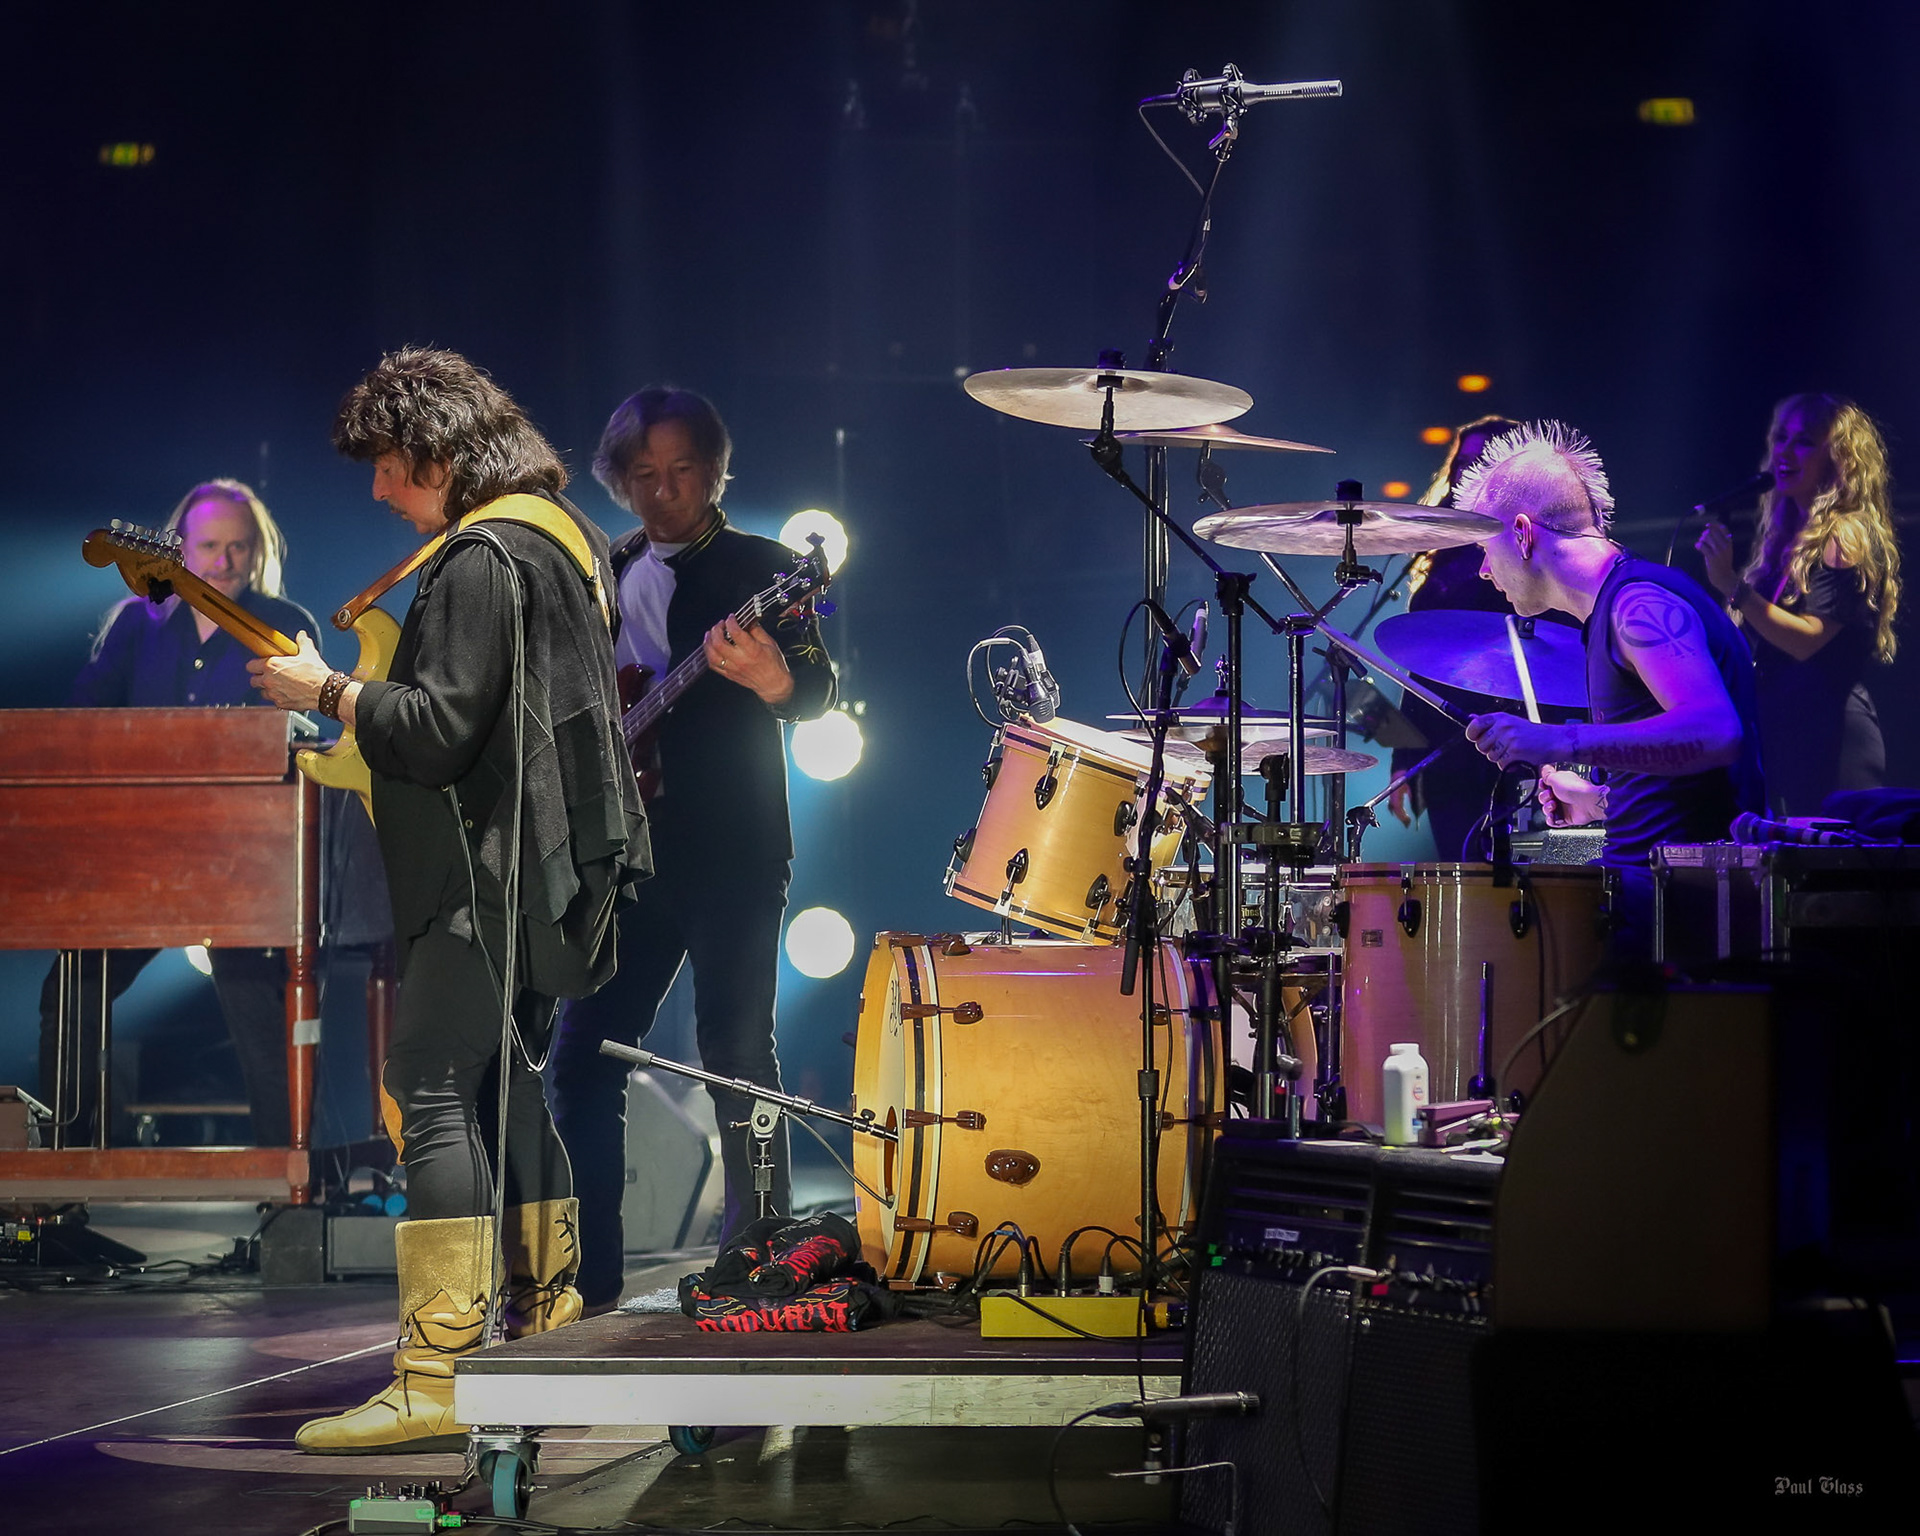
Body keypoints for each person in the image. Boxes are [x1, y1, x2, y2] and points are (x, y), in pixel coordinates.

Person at [250, 347, 649, 1453]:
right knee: (505, 1091)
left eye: (390, 464)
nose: (381, 489)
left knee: (429, 1087)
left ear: (440, 450)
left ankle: (440, 1372)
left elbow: (438, 731)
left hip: (482, 878)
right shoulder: (563, 538)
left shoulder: (482, 555)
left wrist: (330, 688)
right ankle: (544, 1331)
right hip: (537, 873)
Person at [545, 386, 835, 1314]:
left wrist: (777, 681)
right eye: (644, 474)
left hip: (730, 846)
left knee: (737, 1051)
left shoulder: (766, 570)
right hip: (627, 852)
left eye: (682, 470)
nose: (664, 490)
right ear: (618, 481)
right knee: (582, 1057)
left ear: (714, 471)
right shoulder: (601, 570)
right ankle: (588, 1281)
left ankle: (759, 1262)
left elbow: (820, 693)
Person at [40, 479, 315, 1148]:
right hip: (143, 858)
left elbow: (309, 736)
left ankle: (285, 1176)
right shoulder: (138, 624)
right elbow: (81, 724)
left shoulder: (282, 622)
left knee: (259, 1012)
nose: (224, 560)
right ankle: (71, 1166)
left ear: (258, 552)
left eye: (238, 547)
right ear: (178, 548)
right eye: (210, 545)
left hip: (241, 863)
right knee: (70, 993)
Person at [1454, 421, 1765, 960]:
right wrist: (1597, 803)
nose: (1483, 570)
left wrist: (1559, 741)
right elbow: (1693, 798)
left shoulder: (1637, 603)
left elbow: (1717, 732)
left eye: (1485, 547)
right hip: (1657, 893)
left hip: (1677, 914)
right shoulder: (1613, 611)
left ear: (1523, 534)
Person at [1696, 393, 1900, 816]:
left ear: (1839, 458)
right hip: (1784, 733)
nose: (1784, 452)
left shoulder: (1846, 534)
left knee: (1832, 854)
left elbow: (1807, 640)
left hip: (1833, 737)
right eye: (1780, 438)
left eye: (1804, 441)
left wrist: (1733, 586)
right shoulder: (1785, 541)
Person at [1387, 415, 1522, 857]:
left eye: (1479, 462)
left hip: (1511, 740)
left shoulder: (1520, 549)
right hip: (1445, 748)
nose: (1467, 471)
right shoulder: (1440, 553)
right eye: (1462, 462)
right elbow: (1420, 671)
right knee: (1462, 874)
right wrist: (1403, 760)